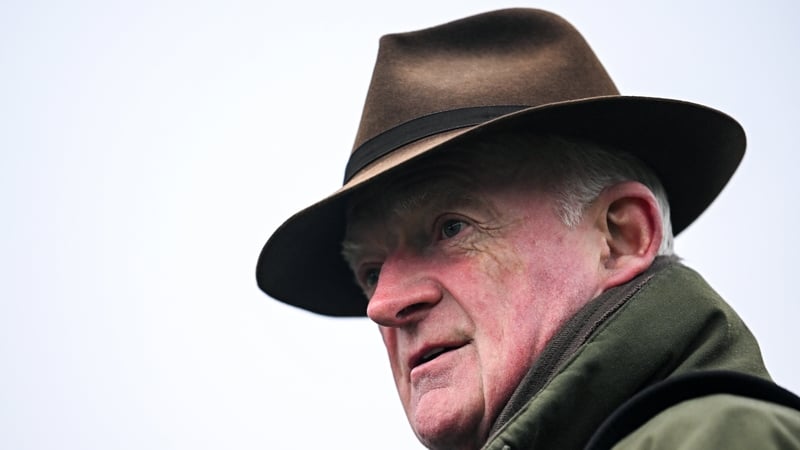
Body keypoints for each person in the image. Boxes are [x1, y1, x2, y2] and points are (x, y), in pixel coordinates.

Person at [255, 8, 800, 449]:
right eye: (370, 272)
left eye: (450, 228)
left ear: (623, 236)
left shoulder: (717, 439)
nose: (382, 304)